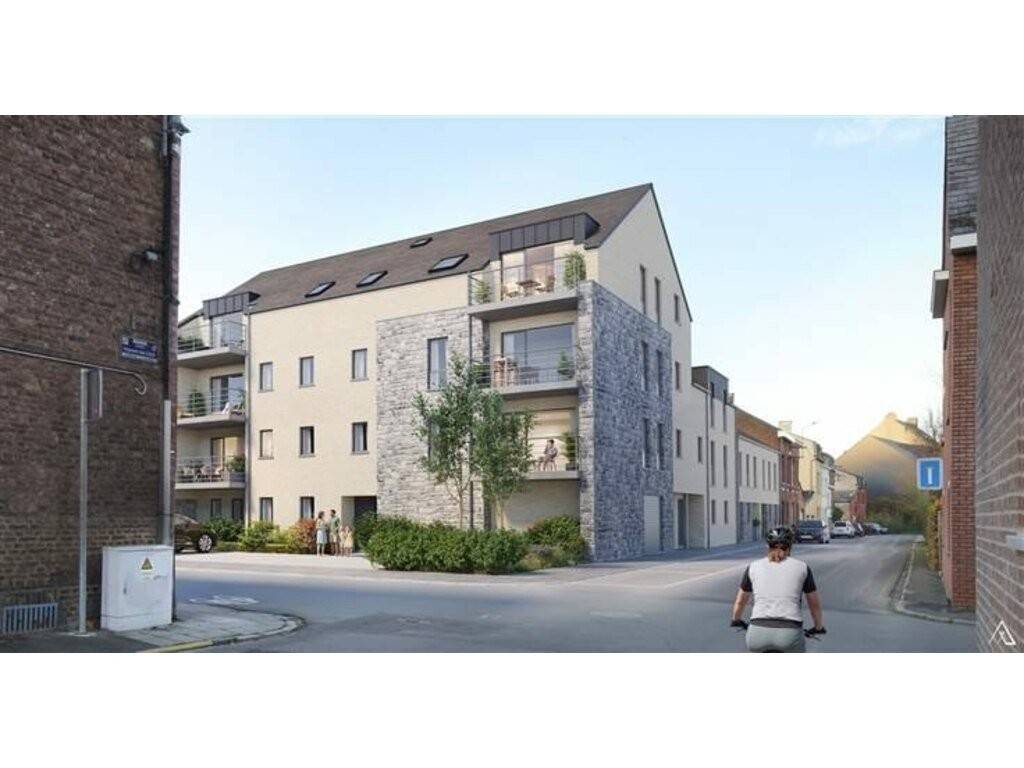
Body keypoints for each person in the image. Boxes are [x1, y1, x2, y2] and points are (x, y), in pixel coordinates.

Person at [729, 526, 826, 652]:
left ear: (768, 546)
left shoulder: (753, 567)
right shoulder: (802, 568)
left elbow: (740, 601)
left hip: (757, 634)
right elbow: (814, 605)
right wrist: (818, 627)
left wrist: (736, 619)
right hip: (789, 634)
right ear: (790, 547)